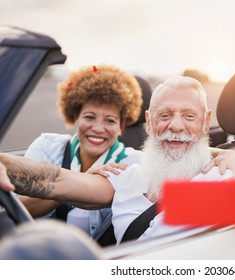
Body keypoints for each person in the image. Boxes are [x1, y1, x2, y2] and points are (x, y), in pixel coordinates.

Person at [0, 76, 235, 244]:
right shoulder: (130, 174)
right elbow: (58, 181)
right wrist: (4, 164)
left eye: (189, 116)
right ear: (150, 123)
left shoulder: (217, 177)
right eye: (165, 116)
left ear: (206, 123)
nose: (176, 126)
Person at [18, 64, 144, 240]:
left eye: (109, 120)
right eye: (89, 117)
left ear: (122, 126)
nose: (98, 128)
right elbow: (16, 210)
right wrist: (73, 186)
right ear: (75, 116)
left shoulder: (135, 164)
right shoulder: (46, 147)